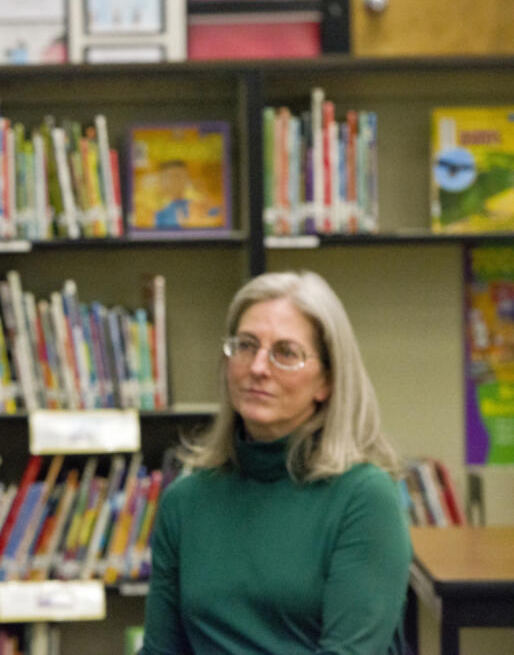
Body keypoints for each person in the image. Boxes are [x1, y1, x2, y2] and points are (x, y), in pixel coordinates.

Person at [141, 270, 411, 655]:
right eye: (246, 345)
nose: (257, 367)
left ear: (327, 382)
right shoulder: (185, 502)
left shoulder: (364, 498)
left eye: (285, 352)